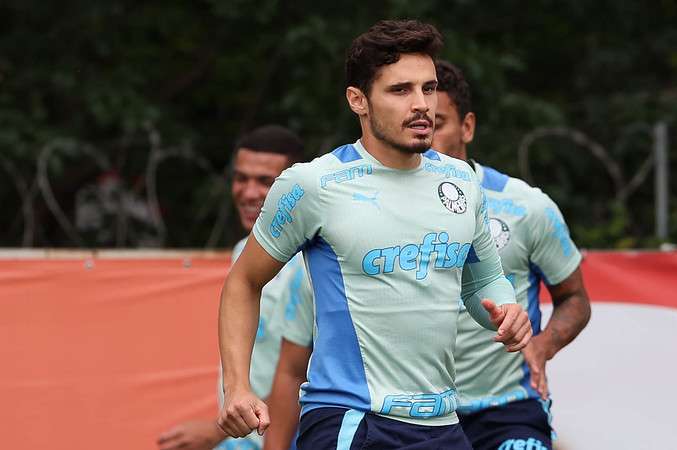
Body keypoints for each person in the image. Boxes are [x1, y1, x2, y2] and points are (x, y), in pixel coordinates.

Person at [216, 19, 532, 450]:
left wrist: (507, 311)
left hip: (443, 423)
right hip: (352, 422)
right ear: (357, 100)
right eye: (400, 90)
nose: (421, 104)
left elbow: (483, 283)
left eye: (428, 88)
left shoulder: (460, 182)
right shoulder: (313, 185)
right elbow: (243, 280)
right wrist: (237, 387)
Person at [433, 60, 591, 450]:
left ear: (466, 127)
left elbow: (574, 299)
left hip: (509, 410)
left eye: (437, 124)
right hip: (417, 412)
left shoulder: (525, 207)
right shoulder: (377, 210)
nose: (425, 136)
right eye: (416, 124)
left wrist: (542, 345)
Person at [157, 125, 312, 450]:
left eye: (265, 182)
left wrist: (217, 433)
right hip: (243, 440)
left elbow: (304, 374)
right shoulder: (245, 250)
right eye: (241, 178)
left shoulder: (312, 263)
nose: (249, 192)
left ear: (293, 187)